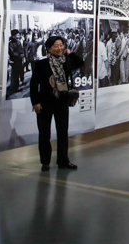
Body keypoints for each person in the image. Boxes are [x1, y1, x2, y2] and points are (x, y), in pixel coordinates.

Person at [30, 36, 83, 171]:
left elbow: (80, 63)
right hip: (45, 103)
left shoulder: (66, 62)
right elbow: (34, 84)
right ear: (48, 48)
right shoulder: (41, 64)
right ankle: (45, 162)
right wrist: (35, 102)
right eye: (56, 45)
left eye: (61, 45)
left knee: (63, 133)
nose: (60, 48)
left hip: (62, 102)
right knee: (44, 134)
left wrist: (70, 54)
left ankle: (63, 161)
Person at [8, 29, 25, 96]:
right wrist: (19, 55)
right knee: (15, 74)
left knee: (20, 72)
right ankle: (15, 87)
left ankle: (18, 84)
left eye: (18, 35)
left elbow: (21, 50)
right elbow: (12, 53)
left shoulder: (18, 42)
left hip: (19, 60)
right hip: (15, 61)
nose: (18, 36)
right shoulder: (10, 43)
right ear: (13, 36)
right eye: (17, 35)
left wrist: (22, 55)